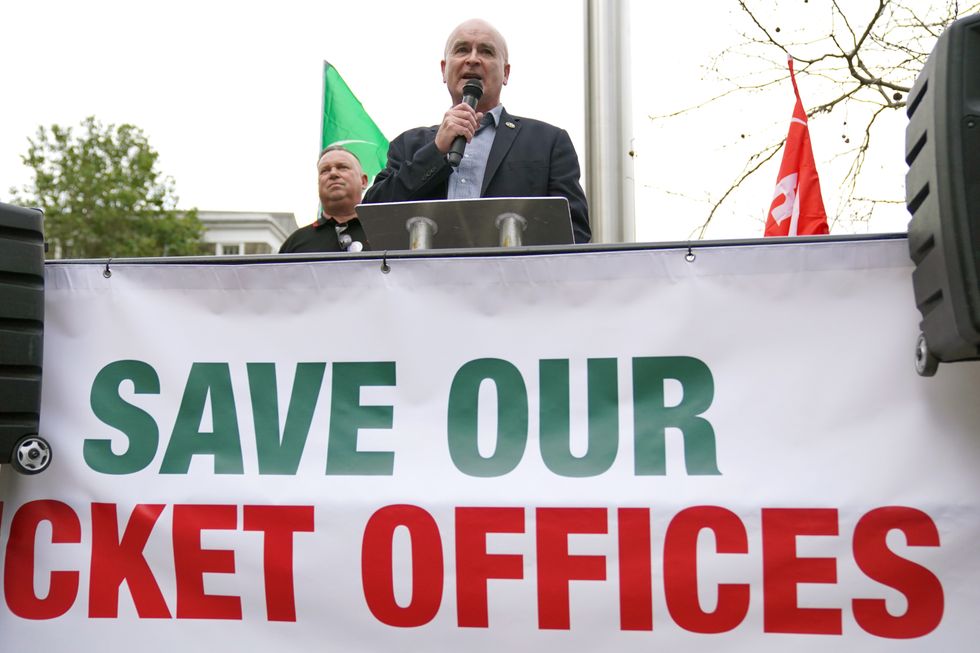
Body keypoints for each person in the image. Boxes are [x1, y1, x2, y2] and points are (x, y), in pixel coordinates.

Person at [362, 18, 591, 244]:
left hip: (514, 279)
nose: (472, 59)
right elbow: (371, 219)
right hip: (428, 279)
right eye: (462, 50)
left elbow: (575, 233)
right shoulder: (408, 145)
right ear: (444, 70)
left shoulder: (548, 142)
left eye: (486, 52)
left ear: (506, 73)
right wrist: (435, 152)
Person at [279, 145, 370, 253]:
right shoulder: (295, 243)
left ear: (363, 181)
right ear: (318, 183)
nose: (333, 173)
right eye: (325, 171)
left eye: (342, 167)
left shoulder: (385, 233)